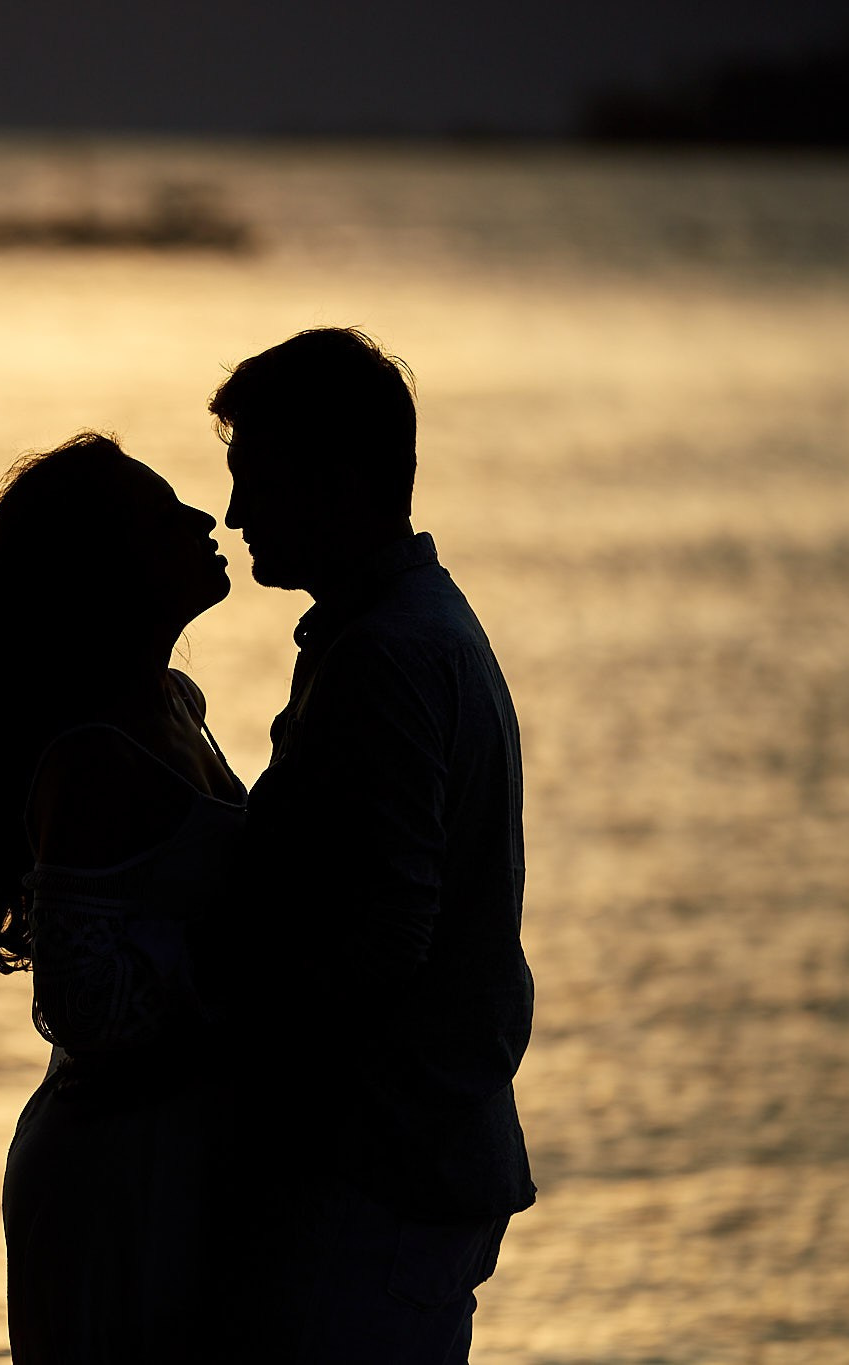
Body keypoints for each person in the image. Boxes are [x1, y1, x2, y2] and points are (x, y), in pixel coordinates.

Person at [212, 328, 534, 1362]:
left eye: (255, 479)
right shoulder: (403, 632)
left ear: (337, 479)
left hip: (382, 1170)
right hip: (409, 1155)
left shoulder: (387, 658)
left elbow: (385, 939)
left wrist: (240, 1061)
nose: (234, 513)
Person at [0, 432, 251, 1363]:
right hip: (117, 1177)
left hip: (176, 1157)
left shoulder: (174, 702)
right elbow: (79, 1003)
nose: (206, 521)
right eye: (169, 517)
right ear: (111, 567)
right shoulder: (89, 760)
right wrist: (251, 983)